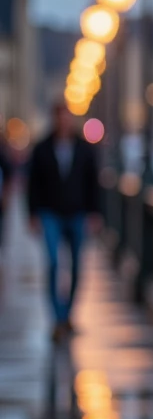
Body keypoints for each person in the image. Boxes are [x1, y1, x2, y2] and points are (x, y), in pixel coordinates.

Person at [27, 103, 101, 339]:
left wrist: (95, 213)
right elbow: (33, 184)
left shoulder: (84, 149)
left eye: (67, 117)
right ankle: (57, 318)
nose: (64, 122)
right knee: (52, 263)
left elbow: (93, 183)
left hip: (77, 213)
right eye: (60, 117)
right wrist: (33, 214)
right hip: (50, 213)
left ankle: (68, 314)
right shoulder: (42, 148)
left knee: (77, 266)